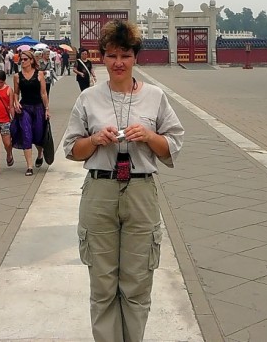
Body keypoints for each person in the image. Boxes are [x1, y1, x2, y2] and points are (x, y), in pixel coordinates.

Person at [63, 20, 184, 342]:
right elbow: (72, 150)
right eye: (112, 55)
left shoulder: (155, 97)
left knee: (137, 283)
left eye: (126, 55)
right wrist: (95, 140)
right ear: (102, 57)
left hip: (141, 190)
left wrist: (148, 135)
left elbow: (173, 144)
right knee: (102, 286)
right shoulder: (88, 98)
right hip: (99, 190)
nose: (119, 62)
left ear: (135, 58)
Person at [13, 50, 49, 175]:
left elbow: (43, 93)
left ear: (32, 60)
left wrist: (47, 109)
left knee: (38, 135)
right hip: (25, 108)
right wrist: (16, 102)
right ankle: (29, 166)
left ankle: (40, 153)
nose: (22, 61)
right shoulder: (17, 76)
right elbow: (16, 92)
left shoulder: (39, 74)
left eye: (25, 59)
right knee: (27, 135)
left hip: (38, 107)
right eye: (21, 59)